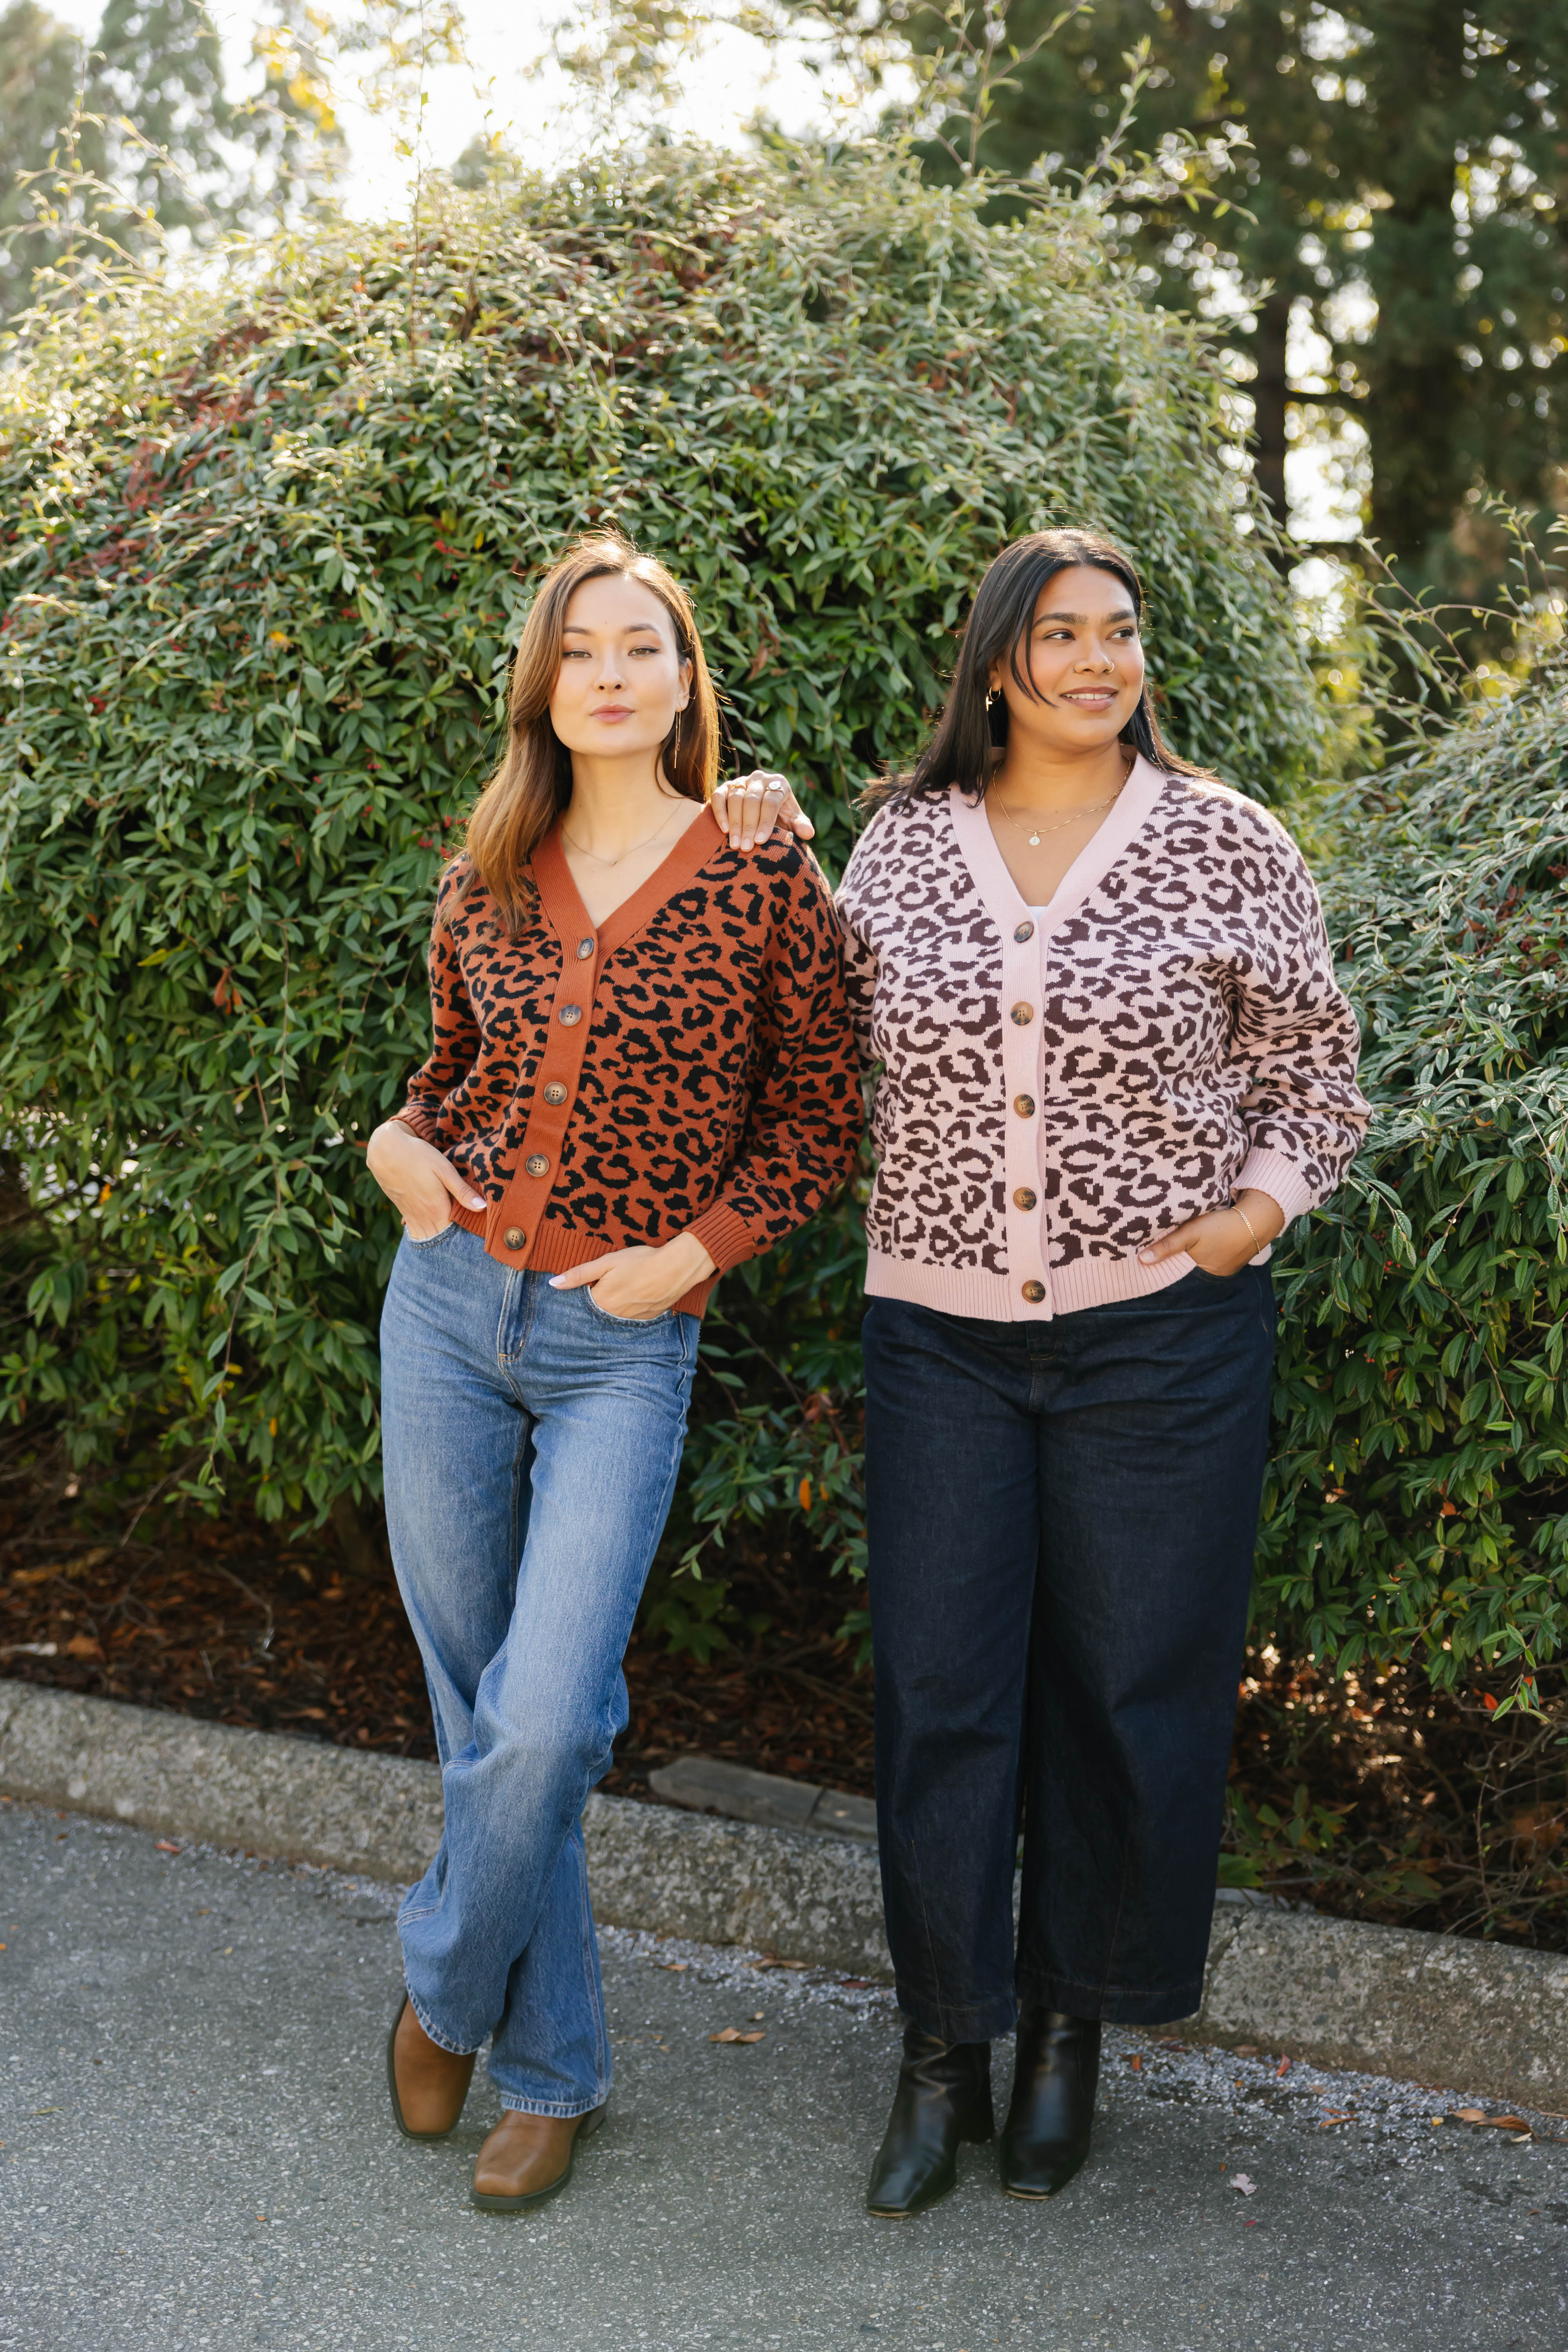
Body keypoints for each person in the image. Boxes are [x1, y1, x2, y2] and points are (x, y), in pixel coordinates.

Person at [749, 525, 1367, 2216]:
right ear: (997, 664)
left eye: (1120, 632)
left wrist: (1250, 1216)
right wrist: (766, 842)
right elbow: (816, 1047)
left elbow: (1318, 1075)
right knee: (944, 1697)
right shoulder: (904, 847)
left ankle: (1066, 2038)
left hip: (1160, 1340)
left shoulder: (1227, 840)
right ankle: (939, 2048)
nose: (1100, 660)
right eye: (1062, 635)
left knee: (1123, 1694)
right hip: (939, 1334)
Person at [365, 531, 861, 2213]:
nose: (606, 674)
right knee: (476, 1705)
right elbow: (448, 1078)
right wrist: (392, 1143)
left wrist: (692, 1257)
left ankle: (439, 1985)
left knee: (550, 1714)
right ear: (542, 682)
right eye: (577, 649)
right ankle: (558, 2074)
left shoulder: (759, 867)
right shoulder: (487, 872)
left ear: (683, 677)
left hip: (619, 1346)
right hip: (441, 1311)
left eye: (638, 645)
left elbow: (822, 1117)